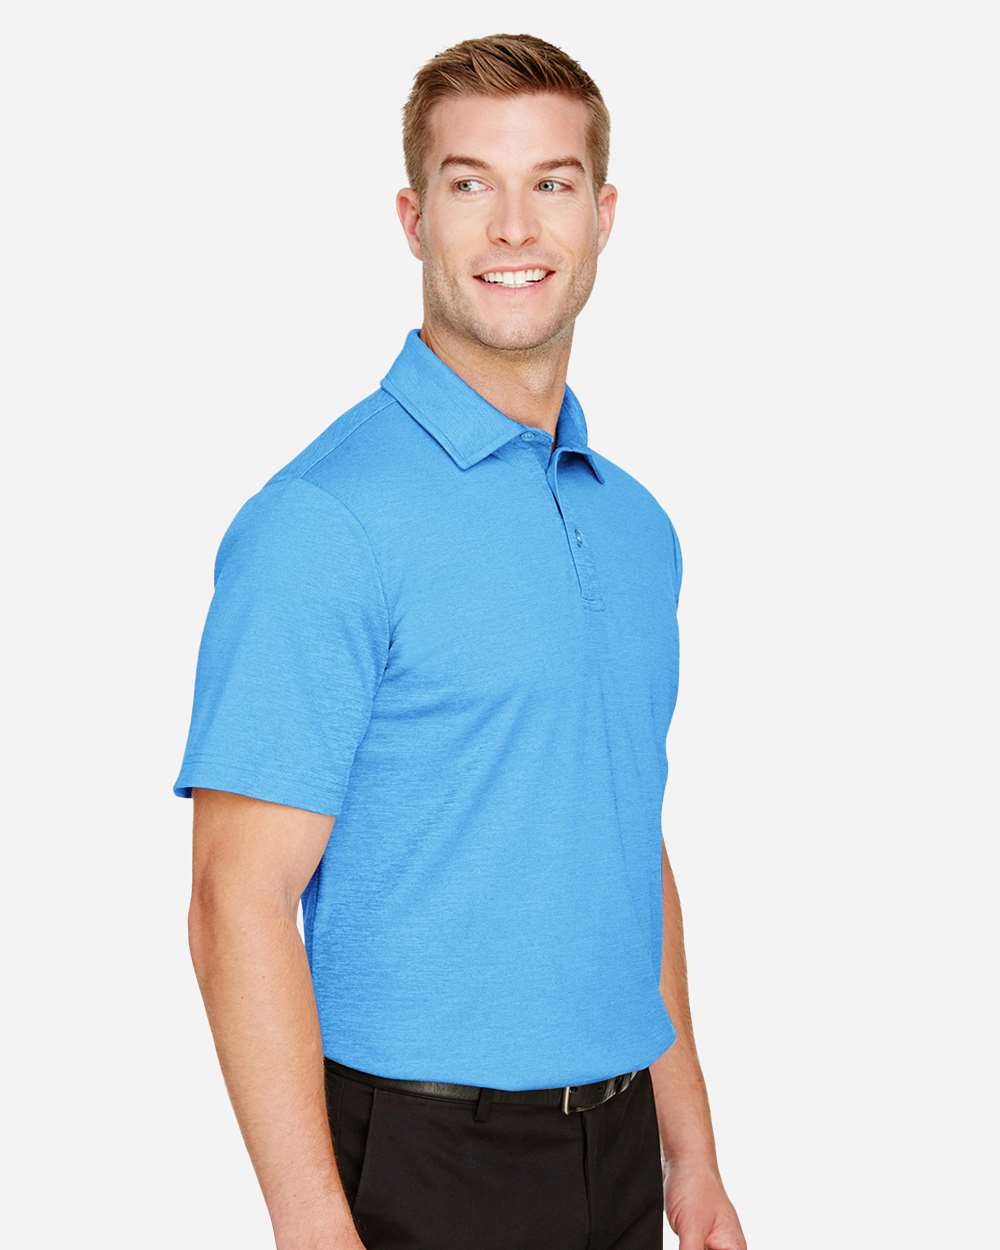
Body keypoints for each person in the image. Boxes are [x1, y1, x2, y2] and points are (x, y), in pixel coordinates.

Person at [173, 31, 747, 1250]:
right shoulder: (322, 522)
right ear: (413, 216)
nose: (513, 227)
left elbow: (620, 839)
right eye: (470, 182)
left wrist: (690, 1153)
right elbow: (235, 898)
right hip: (419, 1160)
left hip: (618, 1142)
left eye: (550, 183)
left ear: (601, 217)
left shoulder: (636, 527)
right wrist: (312, 1226)